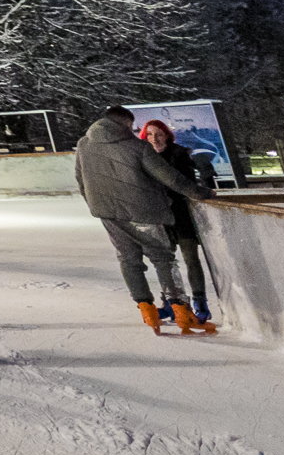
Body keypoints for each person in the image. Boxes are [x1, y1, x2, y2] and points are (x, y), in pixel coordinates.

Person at [74, 105, 199, 332]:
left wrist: (97, 205)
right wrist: (200, 193)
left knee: (128, 260)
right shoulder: (138, 147)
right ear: (126, 124)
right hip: (144, 212)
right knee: (163, 258)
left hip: (107, 213)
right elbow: (171, 178)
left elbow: (81, 181)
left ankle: (148, 312)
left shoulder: (84, 145)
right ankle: (181, 311)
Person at [135, 119, 218, 333]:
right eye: (150, 134)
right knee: (166, 263)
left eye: (159, 133)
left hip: (181, 215)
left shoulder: (179, 154)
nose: (155, 138)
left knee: (191, 258)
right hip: (159, 216)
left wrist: (204, 179)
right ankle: (172, 303)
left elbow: (189, 182)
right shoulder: (143, 157)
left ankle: (200, 302)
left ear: (167, 135)